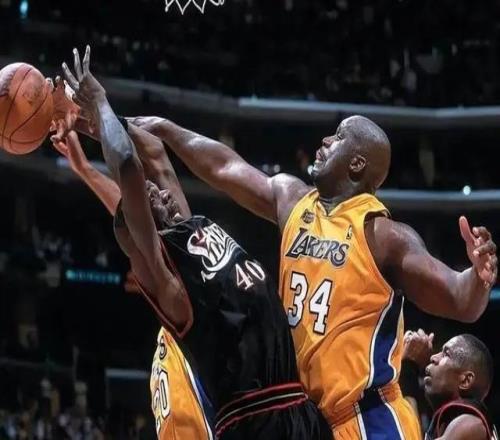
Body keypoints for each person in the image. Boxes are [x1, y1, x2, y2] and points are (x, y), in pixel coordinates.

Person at [130, 109, 497, 438]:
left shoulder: (382, 235)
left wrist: (478, 276)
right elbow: (224, 167)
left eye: (337, 137)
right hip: (309, 420)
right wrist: (168, 130)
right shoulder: (293, 200)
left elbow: (459, 299)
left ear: (356, 163)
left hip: (367, 418)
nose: (324, 141)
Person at [59, 46, 330, 440]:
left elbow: (154, 154)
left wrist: (94, 121)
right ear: (144, 225)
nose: (159, 190)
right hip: (255, 423)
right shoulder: (168, 274)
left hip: (299, 409)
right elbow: (129, 166)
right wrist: (98, 101)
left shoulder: (190, 228)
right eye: (150, 197)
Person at [49, 81, 213, 439]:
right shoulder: (173, 314)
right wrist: (84, 167)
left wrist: (89, 114)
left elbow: (145, 163)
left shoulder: (186, 290)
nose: (158, 194)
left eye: (157, 198)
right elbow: (134, 215)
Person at [402, 329, 498, 440]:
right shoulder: (453, 422)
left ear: (466, 380)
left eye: (446, 354)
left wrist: (407, 368)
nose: (433, 357)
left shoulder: (471, 424)